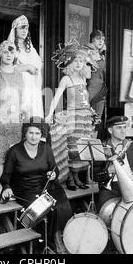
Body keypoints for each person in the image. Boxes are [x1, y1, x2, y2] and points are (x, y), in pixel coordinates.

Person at [0, 117, 72, 246]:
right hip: (26, 189)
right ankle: (52, 242)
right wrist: (6, 187)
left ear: (42, 134)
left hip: (47, 186)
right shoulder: (15, 151)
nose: (34, 137)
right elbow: (6, 175)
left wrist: (53, 174)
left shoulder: (46, 149)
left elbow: (54, 168)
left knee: (62, 207)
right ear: (25, 134)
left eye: (37, 133)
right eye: (31, 133)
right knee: (47, 209)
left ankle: (59, 239)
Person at [46, 42, 95, 191]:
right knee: (72, 147)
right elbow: (57, 97)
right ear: (71, 62)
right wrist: (49, 114)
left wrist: (90, 109)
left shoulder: (83, 79)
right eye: (76, 61)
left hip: (85, 117)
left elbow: (84, 98)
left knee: (81, 147)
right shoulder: (66, 79)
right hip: (73, 117)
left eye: (82, 61)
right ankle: (71, 179)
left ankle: (78, 178)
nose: (80, 64)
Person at [0, 40, 25, 202]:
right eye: (5, 52)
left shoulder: (19, 73)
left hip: (16, 119)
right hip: (0, 119)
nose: (9, 55)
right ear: (0, 54)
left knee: (14, 154)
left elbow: (23, 95)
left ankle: (11, 188)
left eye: (11, 52)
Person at [94, 116, 133, 211]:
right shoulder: (102, 148)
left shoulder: (132, 146)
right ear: (110, 130)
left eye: (124, 127)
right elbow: (94, 175)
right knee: (105, 209)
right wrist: (108, 171)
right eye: (119, 128)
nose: (123, 131)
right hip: (111, 187)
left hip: (132, 184)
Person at [7, 15, 44, 118]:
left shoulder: (31, 49)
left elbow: (38, 64)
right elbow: (8, 69)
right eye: (21, 28)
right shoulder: (11, 48)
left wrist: (37, 68)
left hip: (33, 87)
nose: (24, 31)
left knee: (34, 117)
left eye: (26, 28)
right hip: (20, 88)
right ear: (15, 30)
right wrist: (27, 67)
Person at [85, 30, 107, 129]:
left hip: (100, 88)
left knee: (97, 119)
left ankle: (93, 142)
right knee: (87, 117)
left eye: (103, 39)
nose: (101, 41)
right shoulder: (86, 52)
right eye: (98, 38)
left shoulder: (102, 54)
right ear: (92, 40)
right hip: (90, 87)